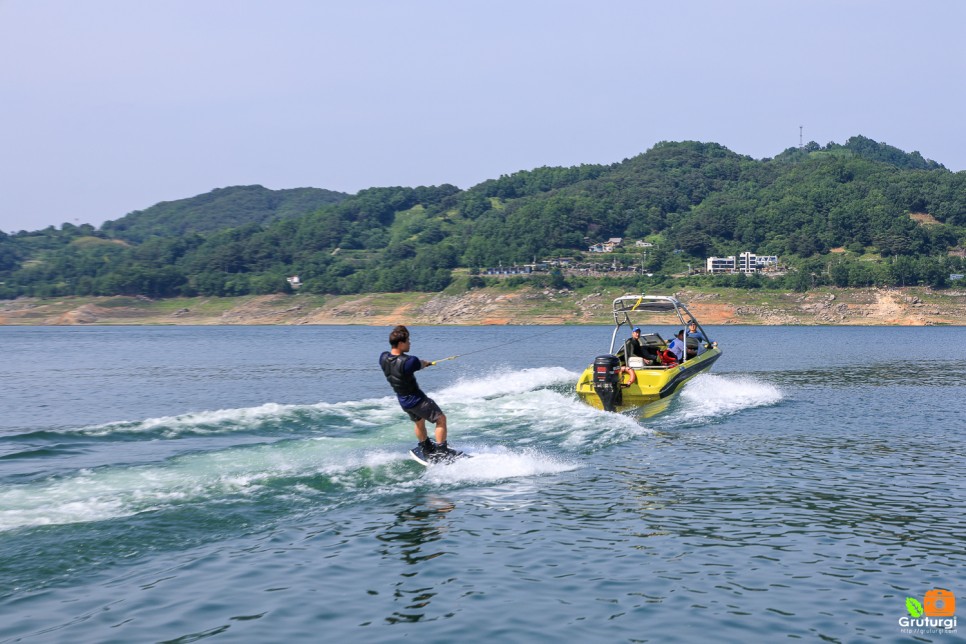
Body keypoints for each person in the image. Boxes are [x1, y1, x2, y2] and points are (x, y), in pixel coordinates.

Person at [379, 325, 460, 461]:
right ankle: (441, 451)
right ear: (400, 343)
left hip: (403, 401)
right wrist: (427, 363)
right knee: (441, 419)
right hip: (418, 400)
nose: (410, 343)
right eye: (408, 341)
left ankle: (426, 447)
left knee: (419, 422)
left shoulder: (383, 357)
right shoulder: (410, 361)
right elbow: (420, 364)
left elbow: (406, 363)